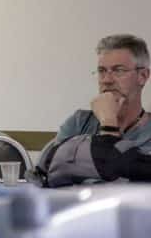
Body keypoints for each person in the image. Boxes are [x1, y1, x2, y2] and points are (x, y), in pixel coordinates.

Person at [56, 33, 151, 181]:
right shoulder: (78, 123)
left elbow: (117, 176)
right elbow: (52, 173)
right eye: (102, 71)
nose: (106, 80)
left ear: (143, 76)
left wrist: (108, 124)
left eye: (119, 70)